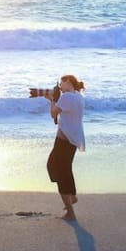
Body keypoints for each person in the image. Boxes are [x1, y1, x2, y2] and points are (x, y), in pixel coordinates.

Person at [46, 74, 86, 220]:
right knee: (64, 169)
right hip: (73, 139)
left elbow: (53, 114)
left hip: (64, 140)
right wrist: (56, 99)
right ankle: (72, 196)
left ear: (68, 82)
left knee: (57, 170)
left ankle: (70, 212)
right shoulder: (78, 96)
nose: (60, 88)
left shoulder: (67, 97)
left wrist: (52, 100)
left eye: (61, 84)